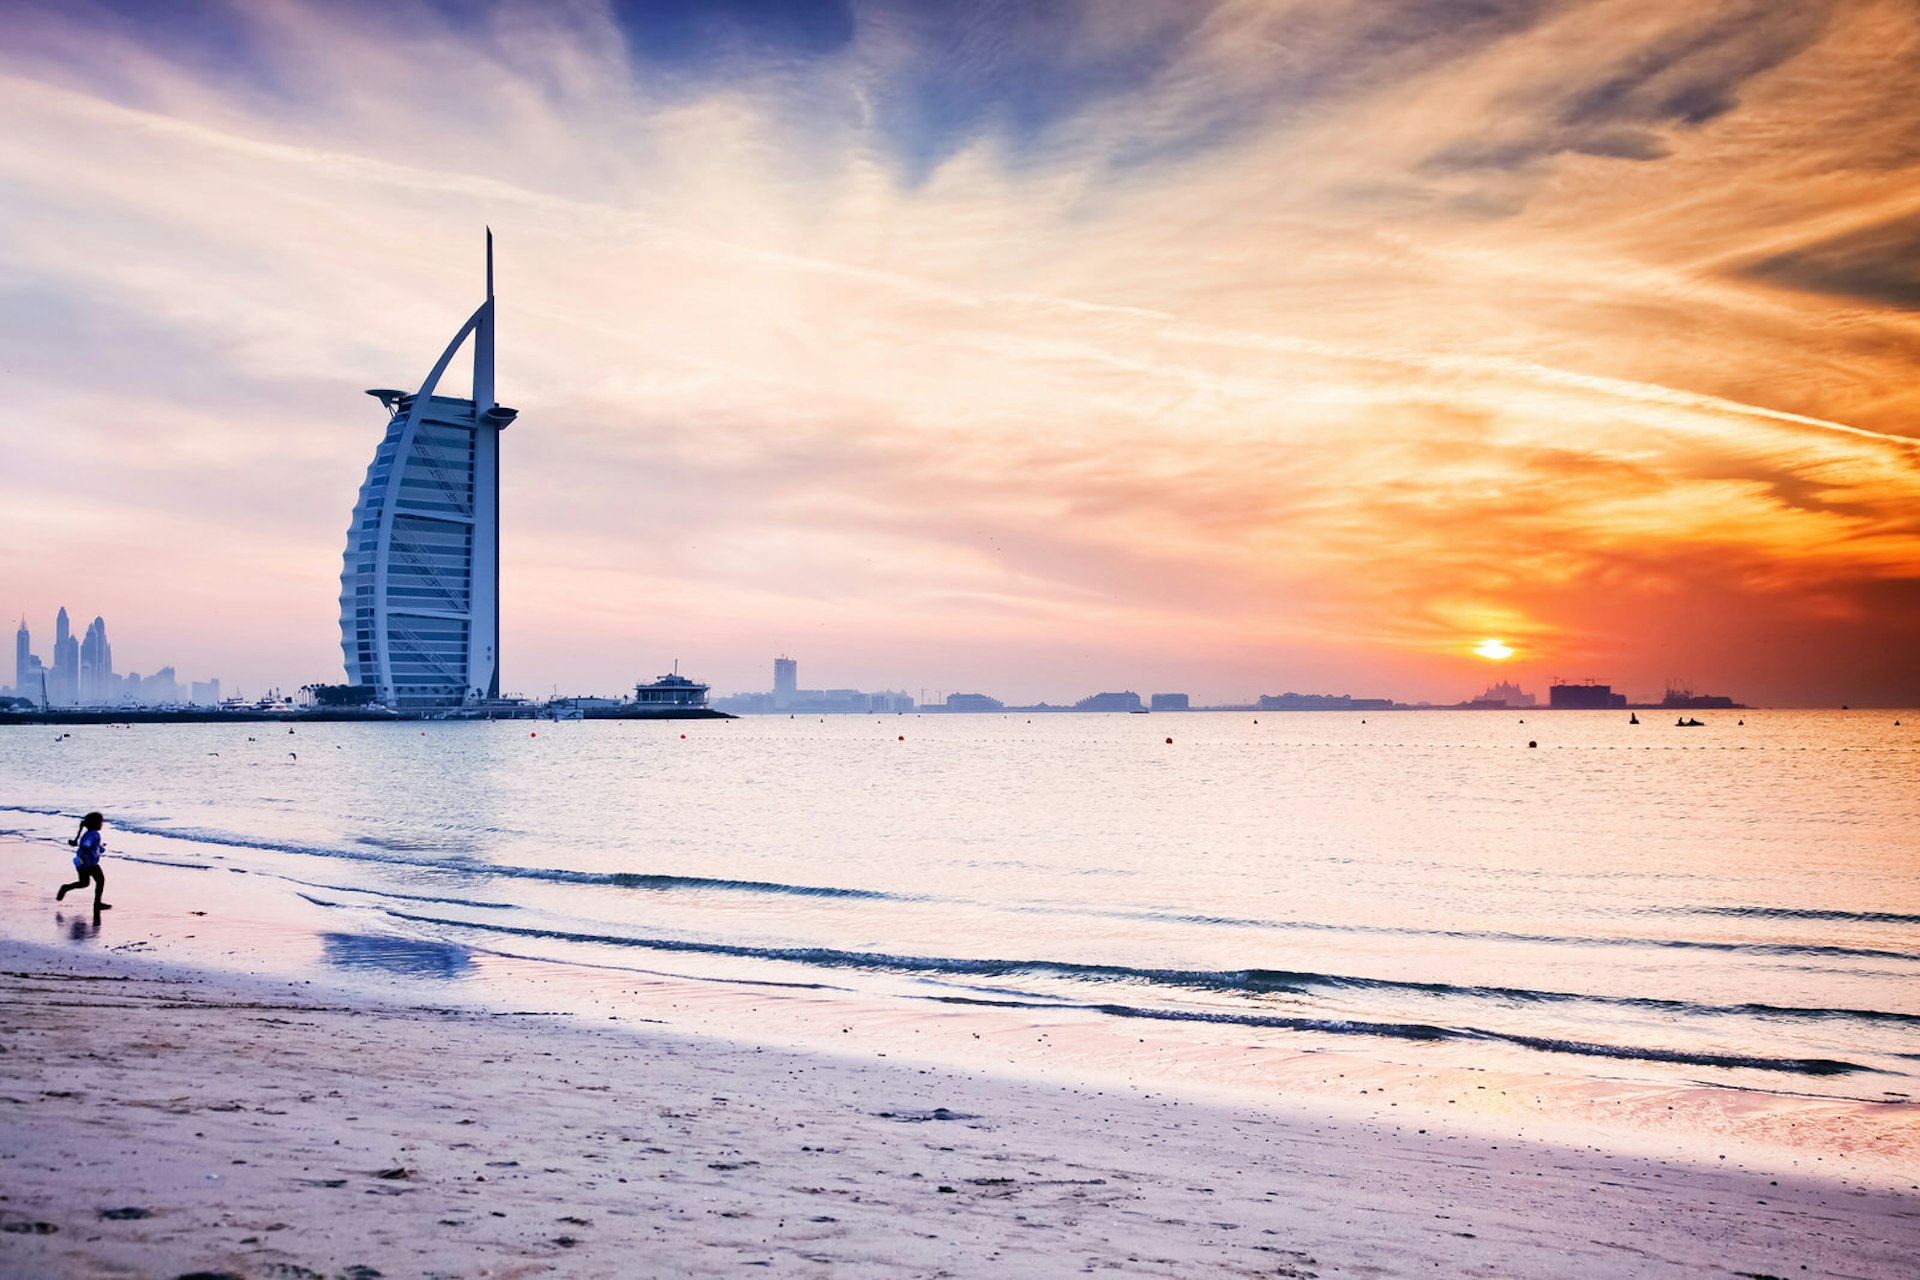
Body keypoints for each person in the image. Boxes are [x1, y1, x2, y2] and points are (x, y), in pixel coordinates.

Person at [56, 811, 111, 912]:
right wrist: (86, 854)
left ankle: (65, 887)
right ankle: (97, 903)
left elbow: (91, 846)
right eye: (101, 822)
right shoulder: (94, 834)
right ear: (97, 823)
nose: (102, 824)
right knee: (100, 880)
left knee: (84, 883)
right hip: (89, 863)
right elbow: (86, 845)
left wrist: (101, 847)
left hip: (81, 863)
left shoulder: (88, 834)